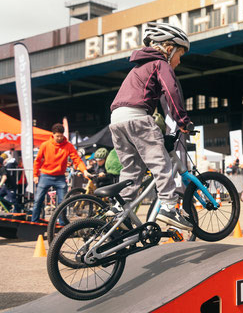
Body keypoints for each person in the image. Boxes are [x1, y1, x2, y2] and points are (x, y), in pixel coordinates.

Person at [109, 22, 193, 230]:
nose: (179, 61)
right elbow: (171, 92)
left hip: (116, 120)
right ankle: (168, 207)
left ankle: (120, 209)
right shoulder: (160, 63)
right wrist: (183, 121)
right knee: (161, 163)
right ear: (168, 48)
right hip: (137, 117)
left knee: (131, 169)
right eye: (179, 54)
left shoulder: (138, 68)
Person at [31, 123, 90, 223]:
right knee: (38, 200)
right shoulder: (45, 145)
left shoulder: (68, 146)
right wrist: (35, 175)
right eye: (57, 136)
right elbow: (37, 160)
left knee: (62, 202)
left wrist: (84, 171)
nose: (59, 138)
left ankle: (62, 223)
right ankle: (34, 221)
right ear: (53, 135)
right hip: (45, 175)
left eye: (61, 136)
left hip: (60, 177)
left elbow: (77, 159)